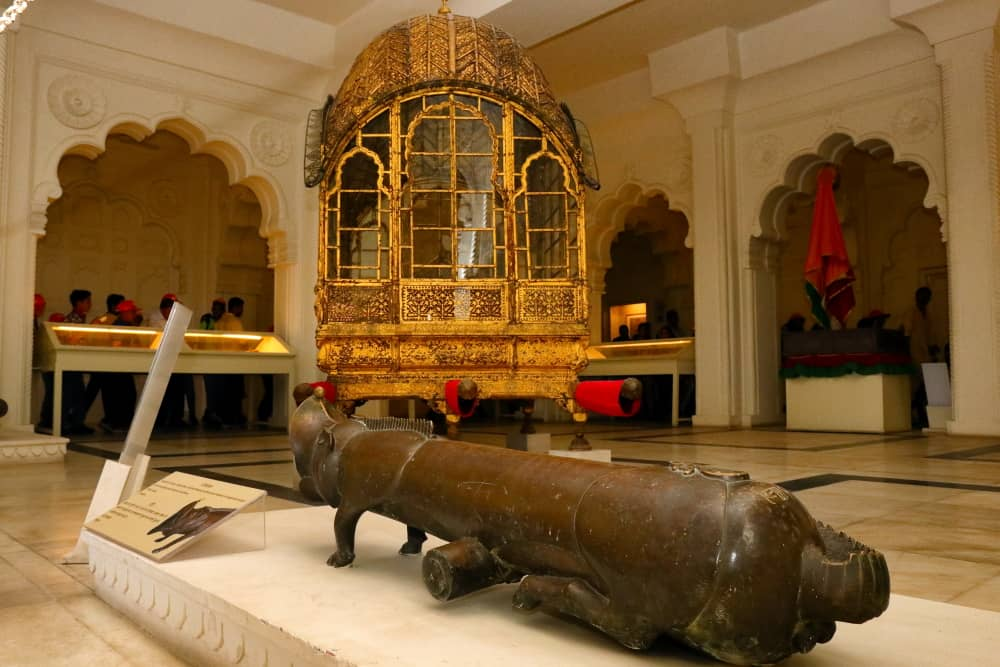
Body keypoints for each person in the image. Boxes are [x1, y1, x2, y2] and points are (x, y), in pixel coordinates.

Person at [99, 300, 140, 432]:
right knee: (124, 395)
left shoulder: (125, 325)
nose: (134, 314)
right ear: (126, 313)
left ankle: (119, 422)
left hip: (119, 367)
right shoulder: (120, 326)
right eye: (133, 312)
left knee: (124, 395)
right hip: (116, 368)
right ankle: (118, 423)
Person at [901, 287, 935, 428]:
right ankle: (914, 416)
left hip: (925, 356)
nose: (924, 298)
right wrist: (906, 355)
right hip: (914, 356)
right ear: (916, 296)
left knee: (924, 388)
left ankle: (920, 415)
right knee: (916, 388)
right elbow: (906, 334)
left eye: (926, 296)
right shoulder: (911, 312)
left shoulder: (927, 314)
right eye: (921, 295)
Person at [61, 290, 94, 434]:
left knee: (78, 394)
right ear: (78, 303)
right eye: (87, 301)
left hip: (76, 363)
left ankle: (76, 422)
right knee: (70, 394)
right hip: (70, 363)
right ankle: (67, 424)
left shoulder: (81, 318)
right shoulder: (72, 320)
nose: (90, 304)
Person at [216, 297, 247, 426]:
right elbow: (242, 341)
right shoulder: (235, 322)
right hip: (236, 362)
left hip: (221, 362)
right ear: (236, 308)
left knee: (224, 392)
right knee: (235, 393)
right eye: (241, 308)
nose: (242, 311)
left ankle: (225, 418)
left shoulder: (219, 321)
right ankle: (235, 418)